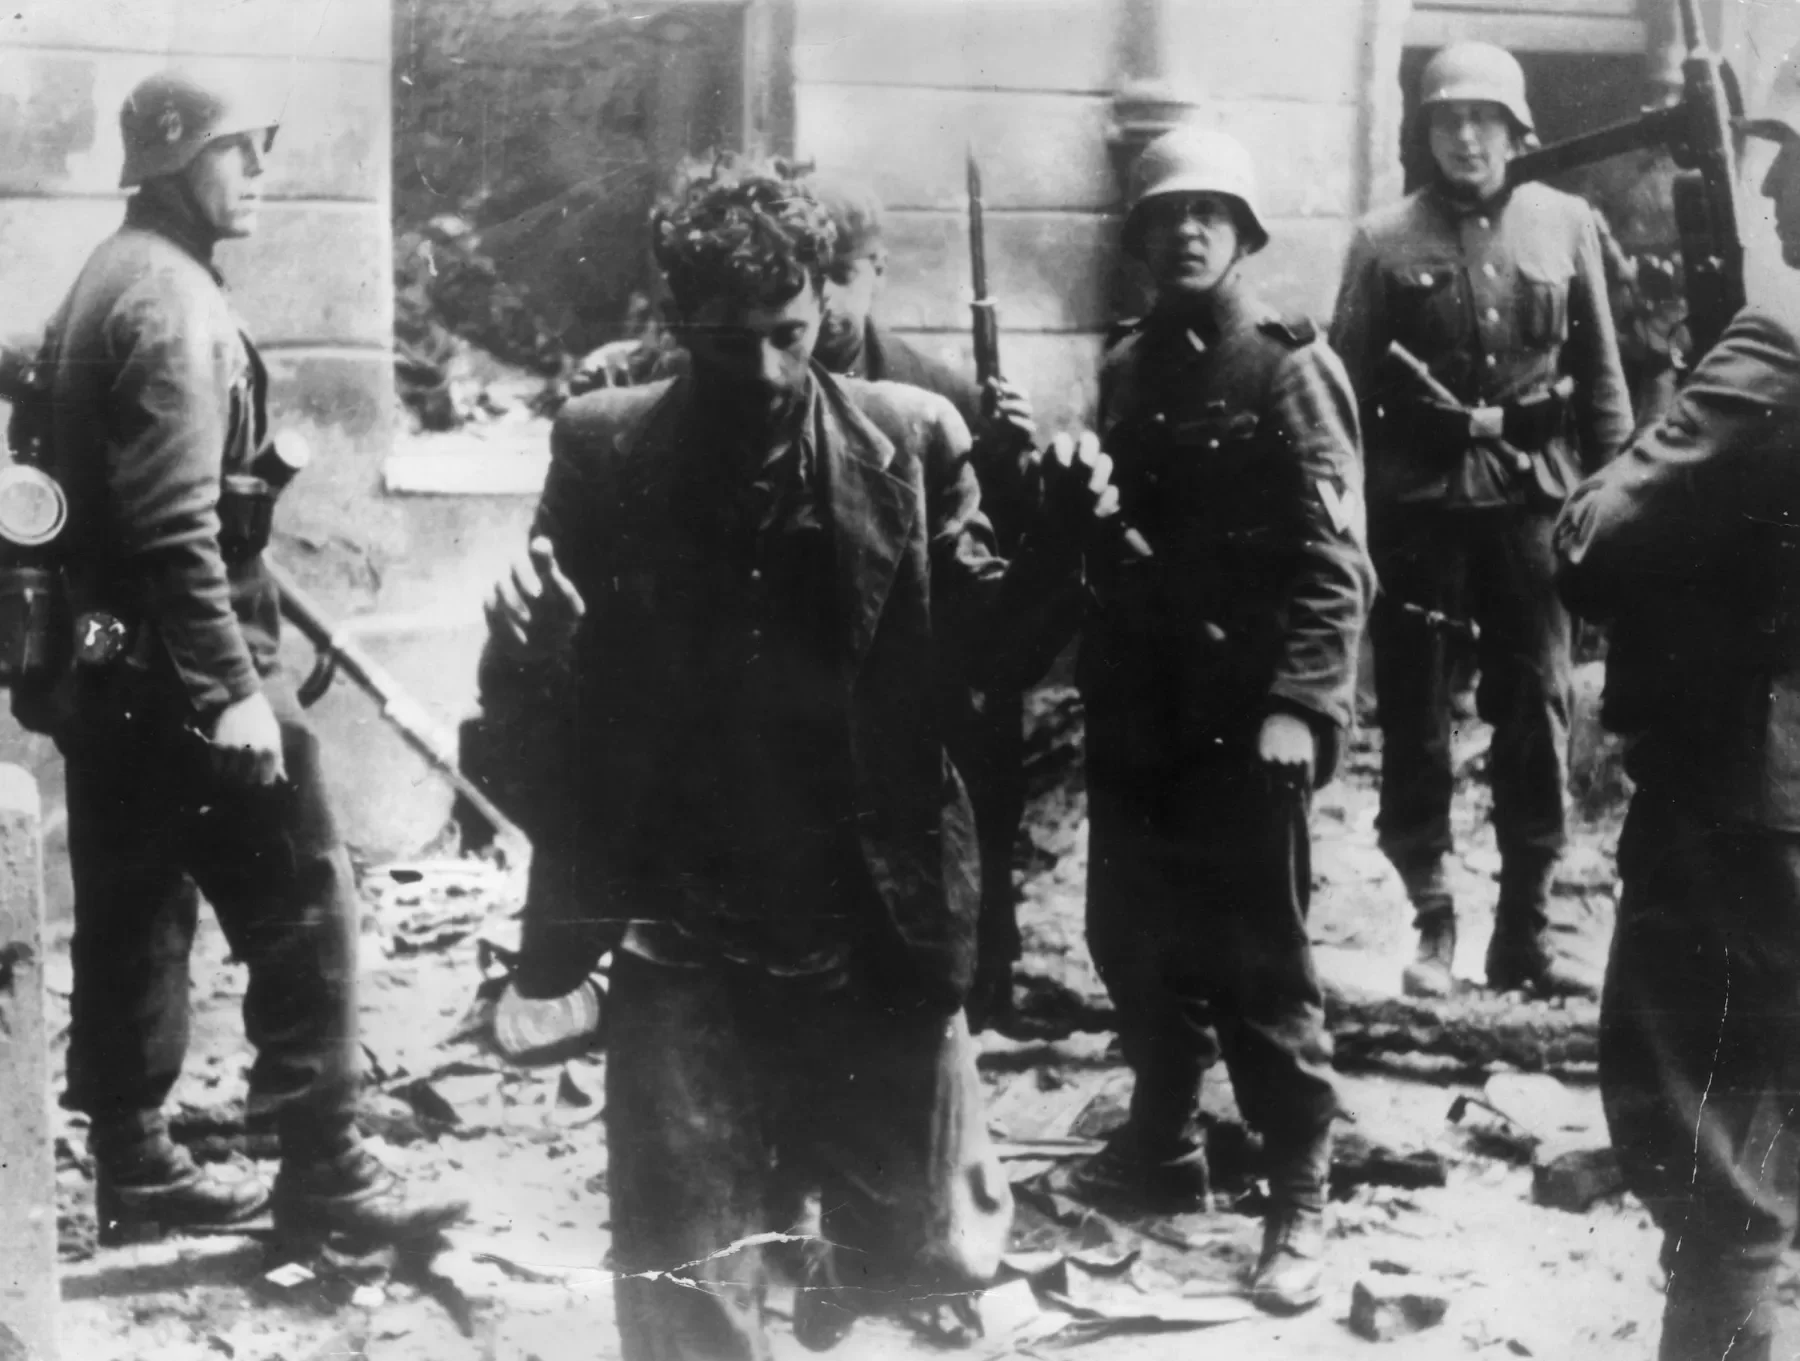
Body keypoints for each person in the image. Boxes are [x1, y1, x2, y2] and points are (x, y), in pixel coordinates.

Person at [484, 156, 1114, 1360]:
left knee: (923, 1250)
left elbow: (984, 658)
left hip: (870, 904)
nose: (769, 371)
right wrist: (536, 650)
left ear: (825, 303)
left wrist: (1065, 542)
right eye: (732, 343)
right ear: (680, 321)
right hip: (684, 914)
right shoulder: (606, 450)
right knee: (688, 1280)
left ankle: (840, 1288)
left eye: (790, 332)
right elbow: (533, 736)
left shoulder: (911, 438)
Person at [37, 70, 467, 1249]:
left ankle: (134, 1163)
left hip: (111, 668)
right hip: (188, 667)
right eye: (238, 150)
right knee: (303, 893)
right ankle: (327, 1171)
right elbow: (173, 523)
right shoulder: (170, 303)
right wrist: (234, 693)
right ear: (176, 161)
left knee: (134, 901)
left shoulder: (118, 273)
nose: (262, 171)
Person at [1070, 125, 1374, 1315]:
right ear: (1141, 237)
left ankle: (1299, 1191)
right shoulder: (1126, 366)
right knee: (1128, 935)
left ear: (1243, 233)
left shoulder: (1287, 366)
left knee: (1258, 960)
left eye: (1209, 212)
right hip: (1140, 713)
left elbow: (1336, 559)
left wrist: (1301, 704)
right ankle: (1165, 1138)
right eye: (1166, 214)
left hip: (1246, 718)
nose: (1187, 230)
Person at [1554, 56, 1800, 1361]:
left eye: (1793, 165)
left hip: (1741, 796)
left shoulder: (1776, 348)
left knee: (1715, 1153)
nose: (1775, 190)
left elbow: (1595, 541)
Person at [1330, 41, 1632, 999]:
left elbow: (1605, 384)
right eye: (1448, 119)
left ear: (1515, 129)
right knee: (1416, 714)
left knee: (1538, 705)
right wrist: (1345, 519)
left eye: (1484, 118)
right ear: (1425, 134)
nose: (1466, 136)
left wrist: (1613, 505)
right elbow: (1341, 398)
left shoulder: (1566, 223)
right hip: (1417, 511)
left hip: (1534, 504)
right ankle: (1431, 916)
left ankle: (1525, 928)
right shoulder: (1382, 239)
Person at [810, 173, 1038, 1025]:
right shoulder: (761, 382)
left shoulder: (941, 393)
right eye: (811, 276)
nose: (828, 300)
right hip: (824, 663)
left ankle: (986, 971)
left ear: (877, 271)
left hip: (930, 667)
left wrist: (1012, 457)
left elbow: (995, 557)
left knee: (970, 806)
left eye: (845, 274)